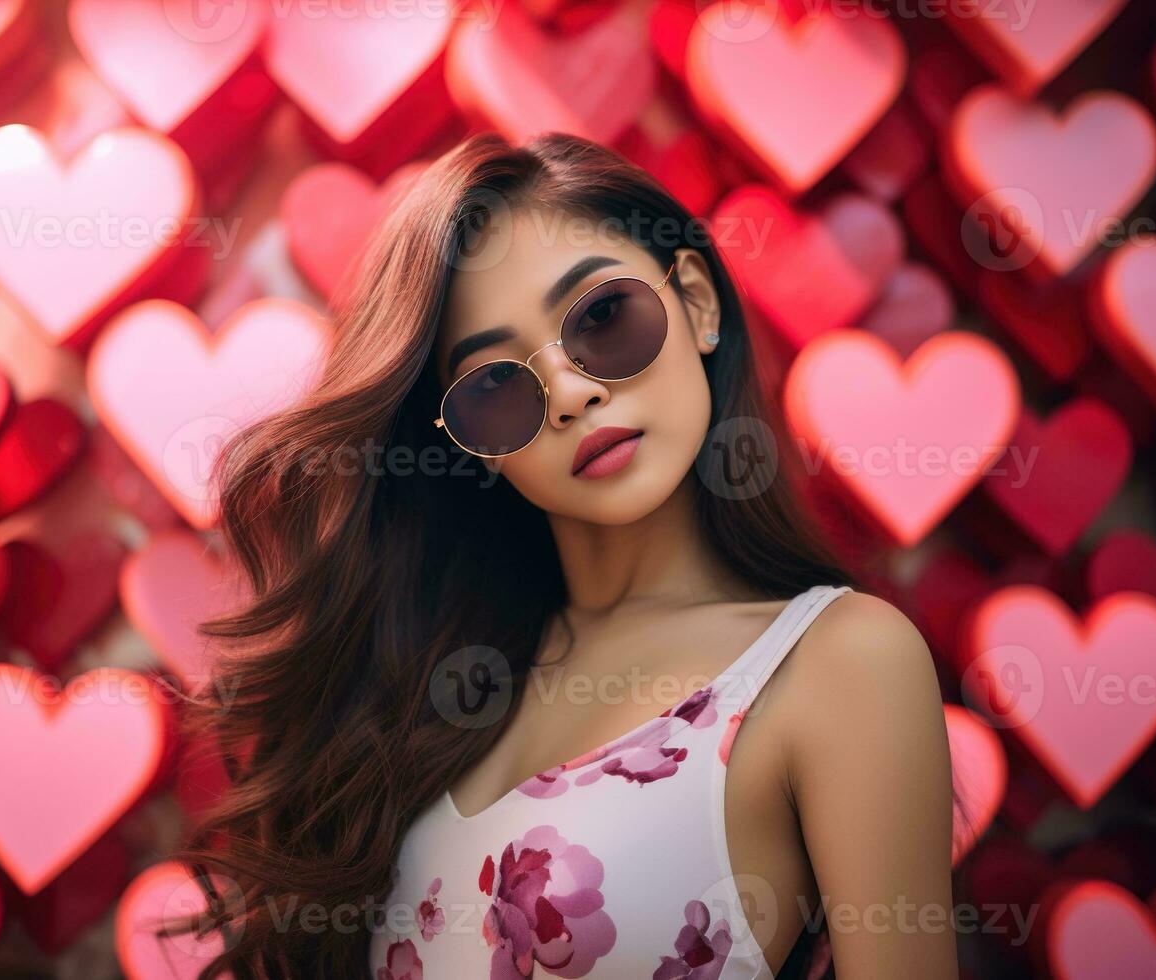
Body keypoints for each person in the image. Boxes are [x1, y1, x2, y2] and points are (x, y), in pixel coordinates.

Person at [177, 131, 958, 980]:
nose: (574, 394)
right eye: (497, 386)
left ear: (696, 301)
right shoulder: (433, 688)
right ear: (466, 444)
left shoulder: (837, 662)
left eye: (602, 318)